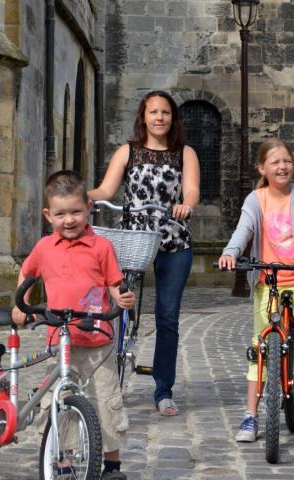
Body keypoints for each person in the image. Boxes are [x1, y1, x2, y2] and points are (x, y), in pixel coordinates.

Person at [12, 170, 136, 480]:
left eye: (76, 212)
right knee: (63, 400)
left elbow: (113, 282)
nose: (69, 220)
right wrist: (20, 303)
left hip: (99, 339)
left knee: (106, 401)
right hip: (62, 340)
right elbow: (27, 275)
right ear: (48, 215)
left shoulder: (101, 246)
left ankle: (112, 464)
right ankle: (64, 460)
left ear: (89, 209)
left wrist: (122, 299)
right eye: (60, 214)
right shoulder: (44, 248)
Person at [217, 138, 294, 445]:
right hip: (267, 280)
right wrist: (231, 252)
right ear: (262, 168)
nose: (282, 166)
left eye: (287, 160)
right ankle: (250, 415)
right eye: (275, 162)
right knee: (260, 345)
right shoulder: (255, 200)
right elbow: (244, 229)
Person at [89, 90, 200, 416]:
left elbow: (192, 189)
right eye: (154, 112)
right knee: (114, 310)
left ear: (172, 118)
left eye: (165, 112)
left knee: (167, 317)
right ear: (144, 117)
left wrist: (186, 205)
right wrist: (81, 197)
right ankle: (109, 380)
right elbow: (107, 190)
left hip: (173, 242)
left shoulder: (185, 153)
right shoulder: (128, 151)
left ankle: (163, 389)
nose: (160, 118)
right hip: (133, 241)